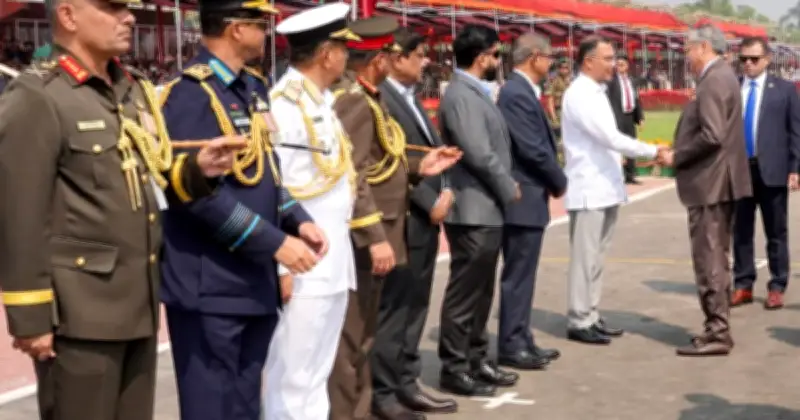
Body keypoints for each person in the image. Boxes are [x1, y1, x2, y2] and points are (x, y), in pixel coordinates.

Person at [0, 0, 247, 418]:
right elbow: (20, 214)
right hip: (79, 316)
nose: (129, 18)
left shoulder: (129, 89)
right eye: (112, 9)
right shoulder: (38, 96)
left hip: (136, 302)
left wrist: (198, 169)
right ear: (68, 16)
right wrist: (30, 317)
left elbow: (144, 176)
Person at [159, 0, 327, 418]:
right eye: (259, 24)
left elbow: (264, 171)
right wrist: (274, 242)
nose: (266, 32)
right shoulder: (190, 93)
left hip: (251, 278)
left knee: (244, 404)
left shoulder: (251, 87)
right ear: (236, 29)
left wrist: (298, 219)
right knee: (212, 406)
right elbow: (194, 194)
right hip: (210, 283)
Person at [329, 16, 461, 420]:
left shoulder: (372, 96)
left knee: (372, 329)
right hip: (374, 228)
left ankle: (374, 402)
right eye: (393, 53)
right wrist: (374, 235)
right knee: (357, 335)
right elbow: (356, 173)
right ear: (381, 58)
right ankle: (366, 405)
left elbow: (384, 157)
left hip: (391, 222)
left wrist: (420, 165)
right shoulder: (355, 99)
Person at [262, 3, 361, 419]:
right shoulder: (284, 105)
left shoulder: (321, 101)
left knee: (317, 370)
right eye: (343, 48)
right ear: (327, 54)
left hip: (331, 258)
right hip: (302, 262)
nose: (347, 57)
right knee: (292, 371)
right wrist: (280, 267)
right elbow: (273, 187)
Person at [561, 36, 668, 346]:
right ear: (588, 62)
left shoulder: (597, 91)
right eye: (607, 59)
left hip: (605, 185)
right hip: (588, 186)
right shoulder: (579, 94)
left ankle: (591, 313)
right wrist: (653, 150)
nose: (613, 64)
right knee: (585, 258)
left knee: (596, 257)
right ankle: (579, 318)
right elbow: (610, 137)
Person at [374, 28, 458, 416]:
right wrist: (429, 201)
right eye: (419, 54)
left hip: (424, 219)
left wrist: (445, 191)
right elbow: (385, 162)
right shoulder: (382, 99)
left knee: (415, 306)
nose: (425, 61)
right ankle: (385, 389)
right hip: (404, 217)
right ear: (396, 58)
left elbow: (428, 153)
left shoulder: (408, 98)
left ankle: (406, 381)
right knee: (394, 311)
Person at [436, 24, 519, 397]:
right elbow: (478, 152)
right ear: (482, 56)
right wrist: (507, 184)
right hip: (472, 207)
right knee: (465, 293)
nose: (497, 61)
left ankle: (475, 358)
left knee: (482, 291)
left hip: (485, 206)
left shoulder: (472, 92)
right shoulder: (461, 94)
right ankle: (454, 366)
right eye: (496, 55)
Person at [669, 24, 751, 357]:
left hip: (711, 183)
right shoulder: (722, 76)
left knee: (710, 258)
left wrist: (677, 155)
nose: (687, 57)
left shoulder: (714, 79)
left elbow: (712, 135)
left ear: (703, 47)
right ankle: (716, 327)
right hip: (717, 181)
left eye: (688, 50)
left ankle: (718, 331)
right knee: (714, 255)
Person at [496, 33, 567, 370]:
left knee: (524, 274)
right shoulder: (515, 93)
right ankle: (512, 343)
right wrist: (559, 180)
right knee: (518, 275)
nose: (551, 63)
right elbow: (532, 148)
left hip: (529, 194)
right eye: (549, 56)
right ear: (534, 56)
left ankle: (522, 337)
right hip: (522, 196)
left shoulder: (522, 91)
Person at [731, 36, 800, 311]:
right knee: (740, 231)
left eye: (754, 59)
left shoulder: (784, 90)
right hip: (739, 170)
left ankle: (777, 285)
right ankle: (743, 283)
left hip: (772, 170)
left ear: (767, 59)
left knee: (776, 232)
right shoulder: (733, 88)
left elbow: (796, 132)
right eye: (743, 59)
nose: (748, 64)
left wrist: (795, 168)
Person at [606, 54, 644, 185]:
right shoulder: (611, 82)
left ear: (627, 66)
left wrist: (640, 117)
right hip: (617, 116)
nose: (619, 67)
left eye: (622, 64)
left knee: (631, 145)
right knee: (617, 145)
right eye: (618, 64)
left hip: (629, 116)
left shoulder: (632, 81)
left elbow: (636, 100)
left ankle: (630, 174)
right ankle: (616, 174)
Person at [545, 57, 572, 136]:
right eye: (562, 67)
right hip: (558, 111)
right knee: (558, 136)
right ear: (558, 68)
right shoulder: (554, 79)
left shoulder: (571, 79)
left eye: (566, 67)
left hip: (569, 112)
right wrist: (554, 118)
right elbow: (550, 99)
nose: (564, 70)